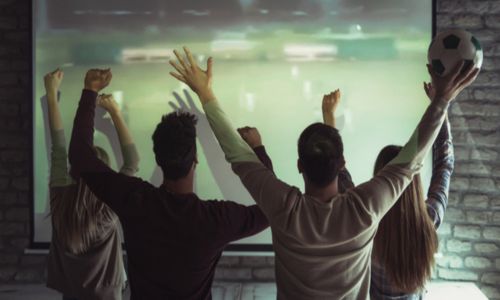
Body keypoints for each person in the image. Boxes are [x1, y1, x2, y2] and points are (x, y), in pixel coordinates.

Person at [169, 46, 478, 299]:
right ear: (341, 163)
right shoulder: (363, 209)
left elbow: (237, 154)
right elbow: (413, 160)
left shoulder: (286, 209)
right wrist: (442, 101)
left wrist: (205, 94)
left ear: (300, 165)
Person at [67, 69, 271, 300]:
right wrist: (257, 150)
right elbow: (272, 209)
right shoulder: (214, 220)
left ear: (158, 159)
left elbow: (80, 156)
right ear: (195, 161)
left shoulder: (135, 200)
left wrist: (90, 91)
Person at [44, 69, 139, 300]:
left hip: (71, 292)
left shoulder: (60, 201)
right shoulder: (109, 207)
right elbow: (132, 163)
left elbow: (58, 147)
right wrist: (116, 113)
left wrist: (51, 94)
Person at [369, 82, 454, 299]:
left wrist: (329, 121)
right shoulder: (429, 218)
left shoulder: (367, 223)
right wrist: (440, 109)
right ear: (412, 180)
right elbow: (444, 164)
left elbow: (341, 178)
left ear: (379, 177)